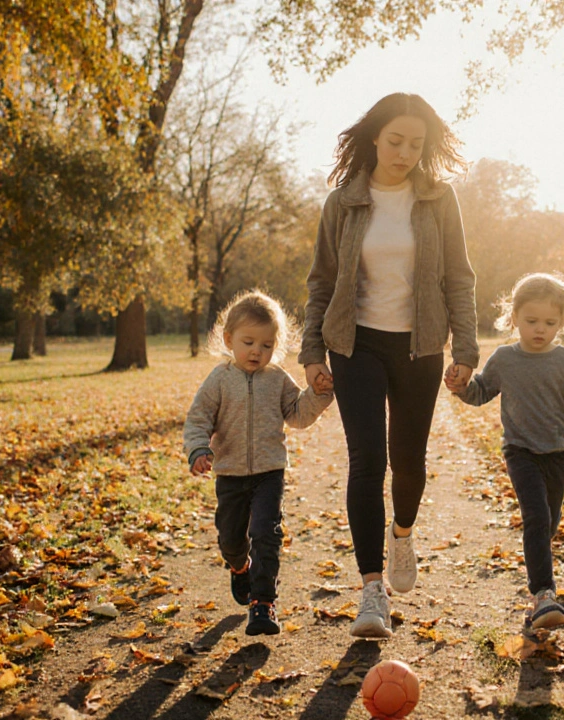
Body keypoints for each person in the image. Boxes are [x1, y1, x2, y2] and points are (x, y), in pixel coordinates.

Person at [300, 93, 479, 638]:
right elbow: (321, 283)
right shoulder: (343, 203)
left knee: (408, 460)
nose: (405, 153)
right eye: (396, 140)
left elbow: (459, 279)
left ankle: (402, 534)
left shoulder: (439, 199)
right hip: (355, 344)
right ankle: (371, 590)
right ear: (375, 137)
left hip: (419, 345)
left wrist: (465, 351)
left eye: (416, 144)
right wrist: (311, 352)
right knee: (366, 460)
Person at [445, 272, 564, 630]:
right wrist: (461, 387)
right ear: (514, 319)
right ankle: (543, 595)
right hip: (520, 451)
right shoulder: (504, 359)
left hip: (558, 454)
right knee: (536, 517)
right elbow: (481, 391)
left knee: (548, 523)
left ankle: (539, 567)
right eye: (531, 321)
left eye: (550, 322)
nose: (540, 329)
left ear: (562, 322)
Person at [184, 290, 334, 636]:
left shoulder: (277, 379)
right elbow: (198, 419)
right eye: (249, 342)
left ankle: (263, 603)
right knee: (231, 539)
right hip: (230, 473)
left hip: (269, 472)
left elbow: (297, 415)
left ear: (276, 347)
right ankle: (240, 567)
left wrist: (320, 394)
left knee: (266, 533)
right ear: (228, 340)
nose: (257, 351)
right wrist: (198, 449)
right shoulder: (219, 380)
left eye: (266, 345)